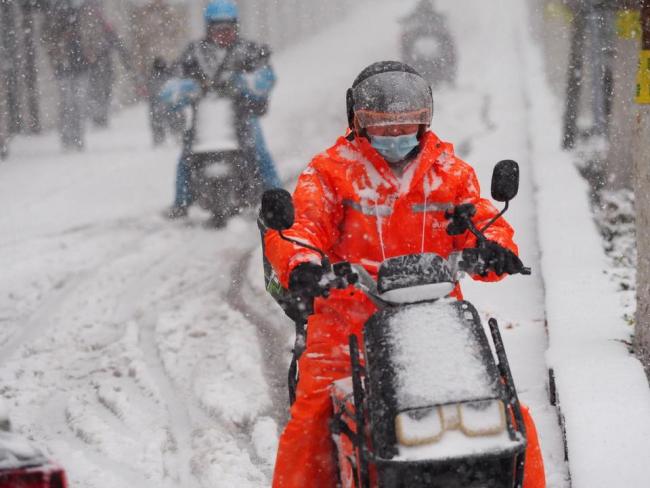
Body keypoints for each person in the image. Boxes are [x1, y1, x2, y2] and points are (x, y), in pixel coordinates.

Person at [263, 61, 546, 488]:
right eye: (384, 127)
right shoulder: (329, 173)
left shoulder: (449, 173)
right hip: (345, 323)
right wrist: (303, 267)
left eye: (405, 126)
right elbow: (301, 228)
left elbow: (484, 220)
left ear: (424, 122)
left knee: (507, 414)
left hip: (437, 323)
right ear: (357, 122)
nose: (395, 135)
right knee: (310, 420)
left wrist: (493, 249)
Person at [165, 0, 280, 219]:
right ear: (208, 28)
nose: (223, 33)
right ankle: (181, 201)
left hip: (242, 114)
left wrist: (243, 83)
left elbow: (266, 78)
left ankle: (275, 198)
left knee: (259, 151)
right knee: (186, 156)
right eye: (217, 29)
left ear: (235, 27)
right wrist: (187, 88)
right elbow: (172, 86)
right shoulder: (194, 53)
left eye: (227, 28)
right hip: (204, 118)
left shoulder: (249, 50)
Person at [78, 0, 131, 128]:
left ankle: (102, 117)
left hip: (104, 61)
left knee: (105, 89)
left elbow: (115, 40)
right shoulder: (85, 18)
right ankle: (97, 118)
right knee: (95, 89)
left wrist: (125, 59)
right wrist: (89, 52)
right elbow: (84, 38)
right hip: (93, 62)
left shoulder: (104, 19)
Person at [42, 0, 87, 150]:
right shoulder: (54, 10)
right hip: (63, 66)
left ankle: (78, 137)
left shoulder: (81, 9)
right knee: (67, 103)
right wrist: (56, 47)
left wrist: (89, 50)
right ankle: (67, 138)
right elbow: (46, 36)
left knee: (78, 103)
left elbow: (90, 32)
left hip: (79, 65)